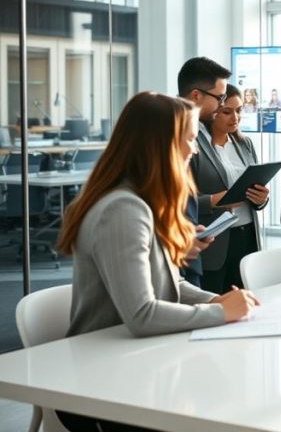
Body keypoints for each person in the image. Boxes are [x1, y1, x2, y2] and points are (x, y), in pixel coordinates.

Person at [53, 92, 258, 432]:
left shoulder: (142, 202)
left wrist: (217, 301)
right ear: (159, 146)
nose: (194, 150)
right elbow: (141, 315)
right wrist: (221, 312)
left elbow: (170, 284)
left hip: (137, 363)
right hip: (103, 385)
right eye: (189, 140)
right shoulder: (124, 209)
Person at [193, 84, 269, 293]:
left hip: (246, 237)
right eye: (227, 111)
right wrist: (216, 200)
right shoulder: (194, 146)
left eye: (239, 110)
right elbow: (184, 201)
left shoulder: (245, 144)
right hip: (215, 242)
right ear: (212, 113)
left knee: (245, 301)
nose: (235, 117)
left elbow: (256, 192)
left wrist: (261, 198)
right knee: (216, 302)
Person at [177, 56, 232, 286]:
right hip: (179, 256)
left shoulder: (200, 131)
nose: (222, 104)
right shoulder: (174, 135)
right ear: (196, 95)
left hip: (192, 251)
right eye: (219, 98)